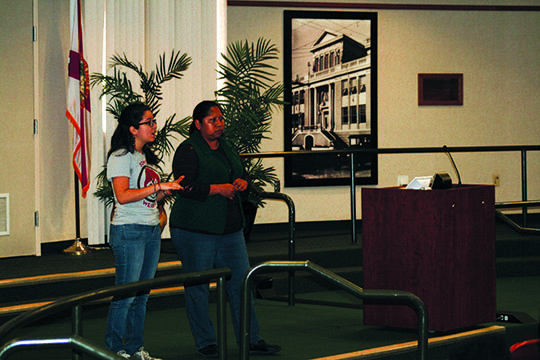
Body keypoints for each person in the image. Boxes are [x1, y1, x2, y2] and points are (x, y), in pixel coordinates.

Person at [169, 100, 281, 358]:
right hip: (196, 229)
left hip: (230, 229)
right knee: (197, 286)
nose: (219, 124)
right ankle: (206, 341)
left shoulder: (227, 146)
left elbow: (239, 172)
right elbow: (183, 187)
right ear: (198, 124)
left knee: (242, 284)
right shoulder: (188, 149)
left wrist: (242, 181)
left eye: (221, 119)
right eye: (212, 120)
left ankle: (251, 339)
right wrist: (217, 189)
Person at [105, 102, 183, 360]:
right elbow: (123, 196)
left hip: (151, 229)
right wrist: (156, 186)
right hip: (129, 231)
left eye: (153, 121)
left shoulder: (144, 157)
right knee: (126, 294)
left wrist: (164, 191)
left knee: (141, 295)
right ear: (132, 129)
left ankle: (135, 349)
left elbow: (150, 199)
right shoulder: (119, 157)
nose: (154, 126)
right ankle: (114, 351)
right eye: (148, 122)